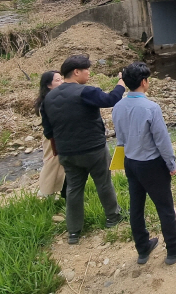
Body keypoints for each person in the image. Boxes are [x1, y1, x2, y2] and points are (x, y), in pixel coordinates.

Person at [112, 62, 176, 265]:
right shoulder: (151, 108)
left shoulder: (118, 106)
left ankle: (142, 247)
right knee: (165, 207)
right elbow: (162, 141)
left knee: (136, 206)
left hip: (130, 162)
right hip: (151, 165)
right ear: (143, 82)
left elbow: (120, 138)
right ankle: (174, 248)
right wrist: (171, 164)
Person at [42, 54, 126, 245]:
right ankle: (113, 217)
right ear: (76, 72)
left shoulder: (49, 98)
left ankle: (73, 232)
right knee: (103, 183)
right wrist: (121, 82)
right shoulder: (85, 91)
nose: (89, 72)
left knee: (73, 189)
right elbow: (111, 99)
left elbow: (48, 131)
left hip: (67, 153)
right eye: (86, 69)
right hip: (93, 149)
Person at [35, 70, 66, 199]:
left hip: (60, 135)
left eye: (61, 79)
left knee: (61, 165)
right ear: (48, 85)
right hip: (52, 138)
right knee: (51, 162)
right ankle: (45, 192)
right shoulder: (47, 101)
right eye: (57, 80)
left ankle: (54, 191)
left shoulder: (57, 97)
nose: (61, 82)